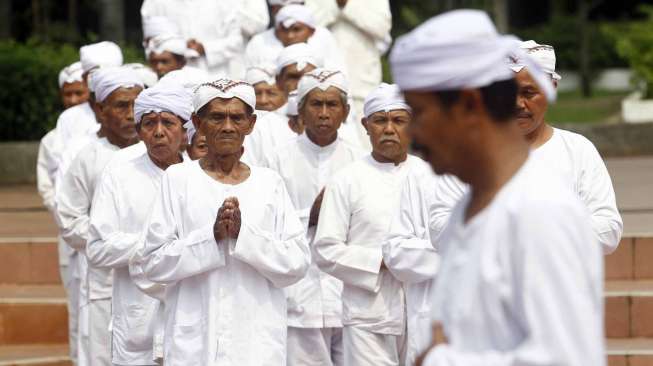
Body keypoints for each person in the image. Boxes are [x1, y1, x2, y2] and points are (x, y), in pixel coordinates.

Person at [390, 9, 604, 366]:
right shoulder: (468, 208)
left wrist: (441, 359)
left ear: (471, 104)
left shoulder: (540, 212)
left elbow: (567, 359)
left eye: (421, 113)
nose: (413, 135)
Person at [140, 78, 310, 364]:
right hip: (195, 340)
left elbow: (297, 263)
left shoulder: (270, 183)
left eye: (237, 118)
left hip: (256, 340)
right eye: (217, 117)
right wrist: (212, 237)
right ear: (198, 122)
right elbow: (153, 262)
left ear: (251, 124)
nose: (228, 126)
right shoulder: (178, 179)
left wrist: (245, 236)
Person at [312, 83, 436, 366]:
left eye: (399, 120)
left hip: (423, 306)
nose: (389, 129)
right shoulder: (346, 180)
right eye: (380, 120)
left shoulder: (431, 175)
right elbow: (326, 249)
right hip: (367, 313)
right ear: (366, 125)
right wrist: (384, 260)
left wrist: (415, 259)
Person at [86, 82, 191, 366]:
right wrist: (153, 246)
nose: (159, 132)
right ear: (140, 130)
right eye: (149, 123)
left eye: (168, 122)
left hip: (190, 316)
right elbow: (97, 248)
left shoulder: (198, 174)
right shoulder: (120, 171)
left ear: (184, 130)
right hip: (138, 317)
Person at [267, 68, 365, 366]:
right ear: (301, 111)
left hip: (349, 297)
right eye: (316, 104)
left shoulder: (359, 160)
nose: (324, 113)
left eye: (331, 105)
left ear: (345, 112)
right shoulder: (277, 159)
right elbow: (268, 223)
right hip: (299, 297)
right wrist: (309, 216)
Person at [57, 66, 145, 366]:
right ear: (100, 109)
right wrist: (113, 243)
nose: (131, 114)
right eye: (122, 105)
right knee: (102, 356)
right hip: (103, 282)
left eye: (137, 105)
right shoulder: (87, 158)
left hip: (154, 278)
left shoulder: (158, 155)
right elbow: (69, 220)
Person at [508, 40, 623, 254]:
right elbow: (443, 227)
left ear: (551, 89)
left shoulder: (578, 150)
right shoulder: (472, 156)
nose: (517, 104)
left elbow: (609, 230)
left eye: (528, 93)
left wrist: (546, 228)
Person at [35, 60, 88, 366]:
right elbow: (47, 189)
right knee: (76, 303)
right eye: (67, 94)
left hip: (96, 232)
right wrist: (69, 221)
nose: (72, 100)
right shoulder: (51, 140)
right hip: (67, 233)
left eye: (78, 93)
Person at [305, 0, 392, 149]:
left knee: (365, 144)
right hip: (322, 84)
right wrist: (335, 5)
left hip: (362, 83)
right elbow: (307, 23)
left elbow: (382, 27)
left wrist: (346, 5)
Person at [141, 0, 269, 78]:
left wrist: (206, 48)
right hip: (172, 75)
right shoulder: (155, 2)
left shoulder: (228, 3)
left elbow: (237, 40)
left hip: (220, 74)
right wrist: (176, 47)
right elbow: (151, 41)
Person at [245, 4, 345, 74]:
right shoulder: (259, 43)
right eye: (284, 30)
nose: (290, 36)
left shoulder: (324, 39)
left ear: (311, 31)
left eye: (296, 29)